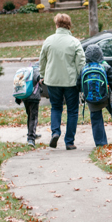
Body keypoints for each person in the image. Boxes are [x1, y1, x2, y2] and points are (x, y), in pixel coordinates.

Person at [39, 13, 85, 150]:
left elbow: (42, 60)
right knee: (72, 111)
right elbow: (81, 63)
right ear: (69, 25)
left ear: (57, 25)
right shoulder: (74, 42)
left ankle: (55, 132)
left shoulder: (48, 41)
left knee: (56, 107)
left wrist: (42, 75)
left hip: (52, 81)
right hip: (70, 82)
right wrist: (80, 77)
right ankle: (69, 141)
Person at [81, 44, 112, 147]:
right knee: (109, 103)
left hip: (91, 99)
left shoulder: (84, 68)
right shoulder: (106, 67)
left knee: (96, 119)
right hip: (105, 97)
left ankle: (101, 144)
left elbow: (79, 84)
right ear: (100, 54)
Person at [13, 63, 42, 146]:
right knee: (33, 117)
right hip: (34, 96)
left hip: (25, 96)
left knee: (30, 115)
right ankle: (31, 138)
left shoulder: (28, 70)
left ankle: (31, 133)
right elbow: (39, 79)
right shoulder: (37, 70)